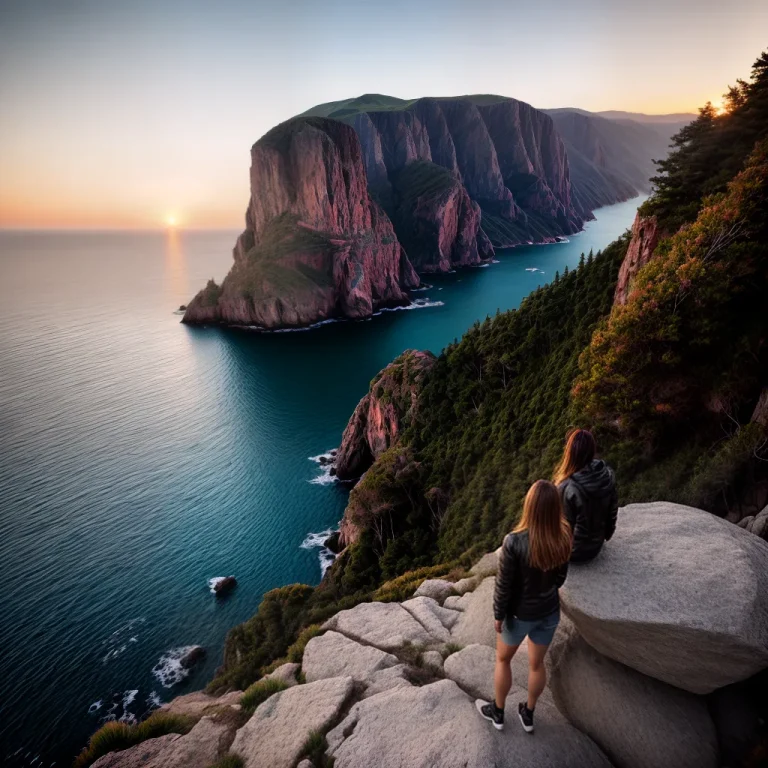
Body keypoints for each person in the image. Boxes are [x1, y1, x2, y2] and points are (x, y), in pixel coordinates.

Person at [476, 480, 571, 734]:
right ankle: (528, 714)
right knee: (536, 666)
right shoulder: (563, 535)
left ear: (529, 506)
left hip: (519, 615)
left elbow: (503, 586)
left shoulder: (514, 542)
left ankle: (498, 712)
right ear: (555, 508)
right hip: (548, 613)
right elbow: (560, 578)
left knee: (503, 660)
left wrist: (498, 615)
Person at [554, 429, 618, 563]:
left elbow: (563, 527)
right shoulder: (606, 475)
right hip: (597, 546)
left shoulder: (567, 487)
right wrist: (605, 535)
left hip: (574, 552)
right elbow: (612, 513)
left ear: (570, 452)